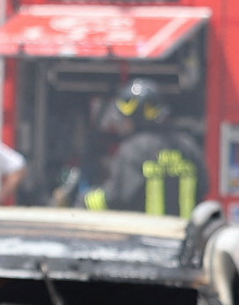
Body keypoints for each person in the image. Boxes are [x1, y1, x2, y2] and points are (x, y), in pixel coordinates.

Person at [83, 79, 202, 216]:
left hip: (147, 235)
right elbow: (203, 187)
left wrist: (85, 201)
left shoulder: (133, 150)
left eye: (124, 118)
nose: (122, 124)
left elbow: (118, 196)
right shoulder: (188, 146)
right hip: (182, 234)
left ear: (133, 118)